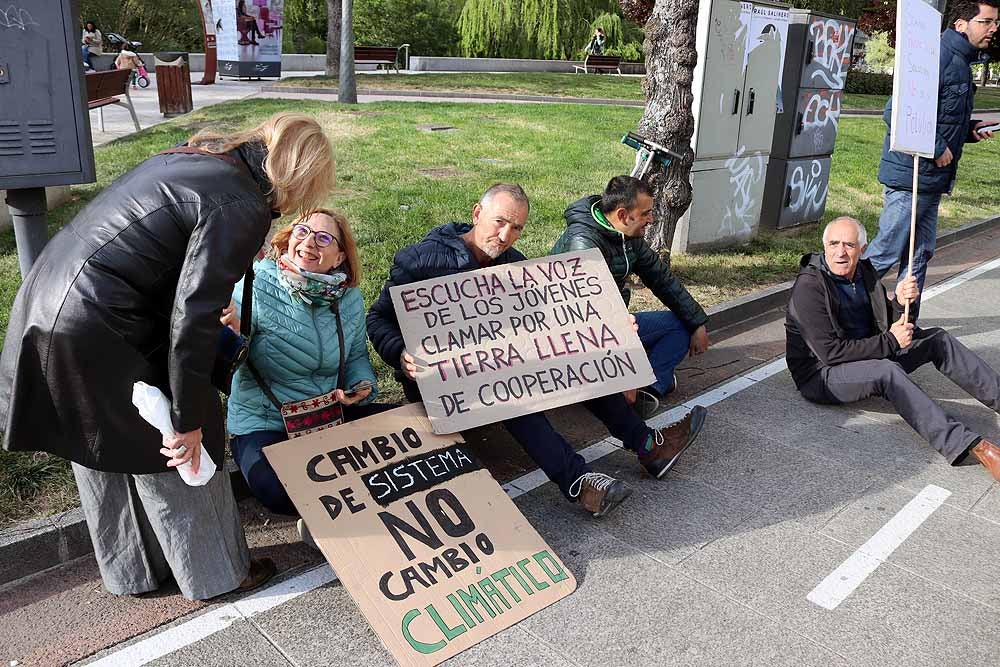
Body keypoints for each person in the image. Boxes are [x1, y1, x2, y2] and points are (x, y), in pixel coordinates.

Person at [0, 112, 335, 600]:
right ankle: (218, 574)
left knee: (97, 443)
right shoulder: (242, 202)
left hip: (48, 303)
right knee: (173, 447)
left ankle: (133, 572)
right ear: (302, 175)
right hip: (110, 319)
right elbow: (194, 319)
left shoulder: (195, 157)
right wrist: (189, 415)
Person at [367, 183, 708, 519]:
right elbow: (378, 318)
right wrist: (400, 353)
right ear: (477, 213)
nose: (504, 236)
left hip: (494, 367)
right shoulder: (421, 261)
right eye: (499, 222)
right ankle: (578, 482)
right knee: (512, 395)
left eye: (516, 228)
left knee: (572, 359)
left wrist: (612, 335)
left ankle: (648, 446)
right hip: (439, 382)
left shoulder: (516, 266)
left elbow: (551, 327)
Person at [224, 209, 392, 547]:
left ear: (339, 257)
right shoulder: (253, 286)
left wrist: (363, 386)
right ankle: (329, 512)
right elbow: (229, 351)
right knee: (272, 485)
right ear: (288, 239)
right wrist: (228, 333)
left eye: (323, 238)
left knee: (417, 431)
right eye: (302, 232)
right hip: (267, 423)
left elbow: (357, 356)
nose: (309, 242)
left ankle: (335, 513)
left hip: (330, 418)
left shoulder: (348, 298)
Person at [786, 216, 1000, 480]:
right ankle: (973, 446)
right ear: (824, 246)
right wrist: (890, 342)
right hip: (822, 374)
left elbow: (883, 322)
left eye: (849, 245)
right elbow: (829, 353)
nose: (840, 253)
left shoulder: (864, 272)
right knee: (887, 371)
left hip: (864, 354)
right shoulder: (809, 287)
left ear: (862, 249)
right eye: (833, 244)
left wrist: (899, 302)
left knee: (937, 339)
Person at [864, 0, 998, 321]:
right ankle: (836, 311)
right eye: (987, 21)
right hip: (911, 176)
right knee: (885, 252)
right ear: (961, 24)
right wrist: (937, 147)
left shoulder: (960, 62)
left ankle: (903, 323)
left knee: (919, 254)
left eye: (996, 23)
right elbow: (893, 113)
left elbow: (938, 117)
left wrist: (969, 130)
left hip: (930, 181)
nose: (994, 28)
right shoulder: (936, 57)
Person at [554, 176, 710, 413]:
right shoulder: (582, 243)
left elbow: (662, 279)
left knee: (681, 325)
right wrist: (627, 368)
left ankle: (649, 387)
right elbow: (591, 319)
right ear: (622, 215)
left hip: (614, 324)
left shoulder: (628, 236)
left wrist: (697, 322)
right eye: (646, 213)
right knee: (613, 382)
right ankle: (618, 390)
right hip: (578, 337)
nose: (652, 219)